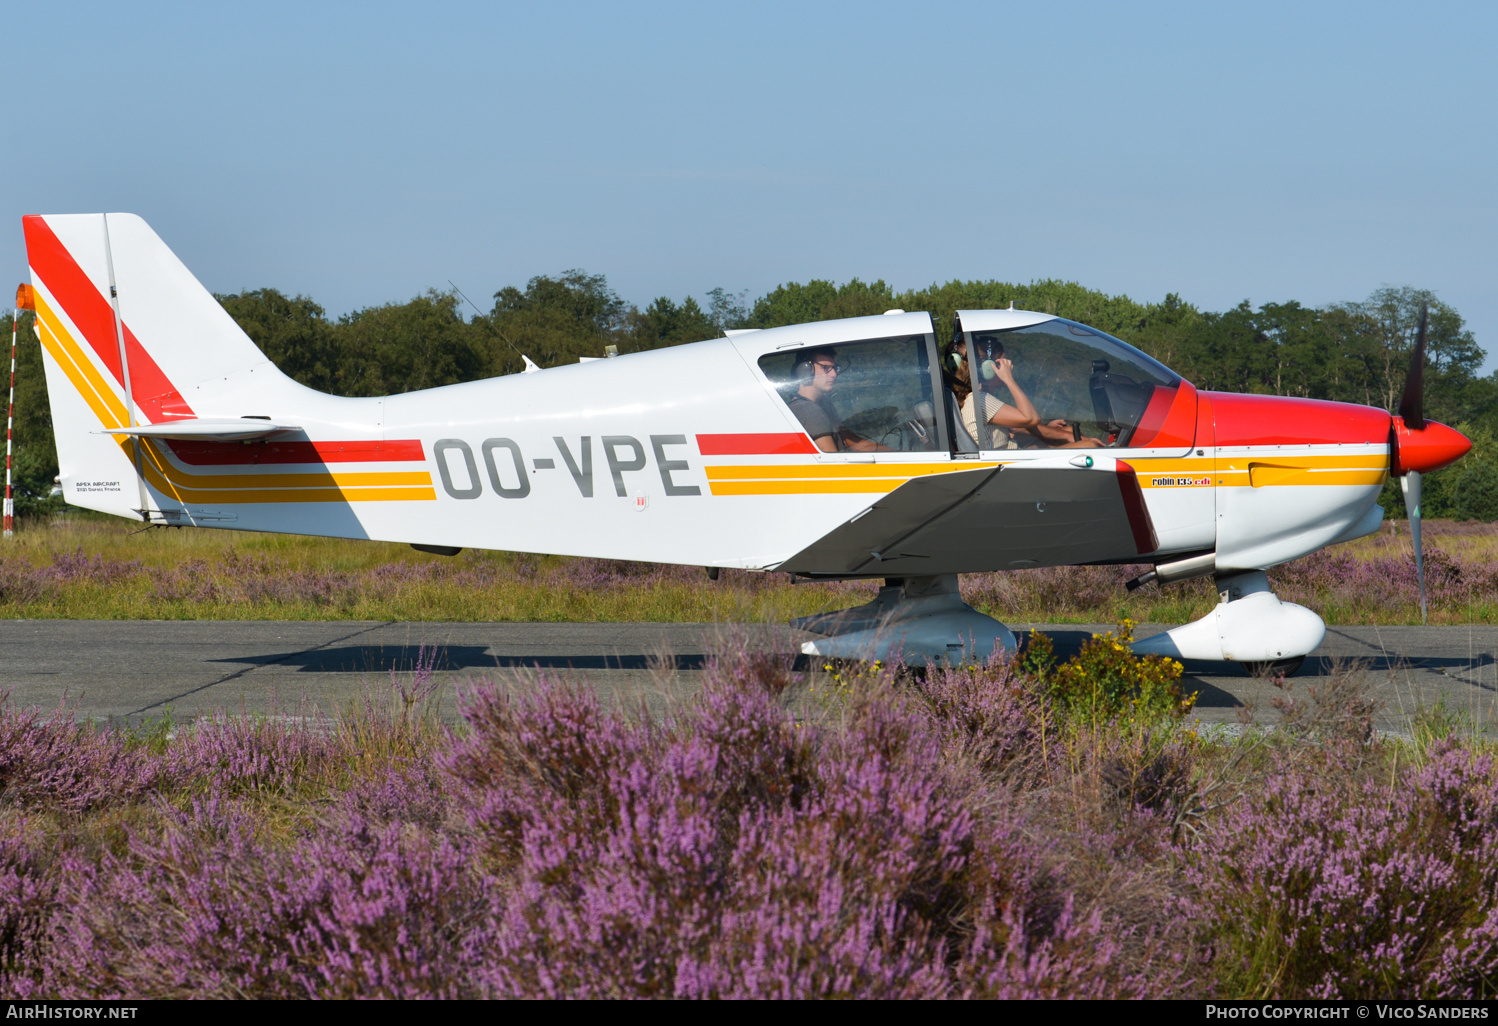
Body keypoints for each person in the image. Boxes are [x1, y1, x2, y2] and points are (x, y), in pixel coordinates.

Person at [943, 337, 1103, 450]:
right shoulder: (980, 400)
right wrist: (1009, 379)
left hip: (1010, 460)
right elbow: (1032, 419)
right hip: (1008, 469)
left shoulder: (970, 399)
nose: (1007, 365)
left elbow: (1017, 429)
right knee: (1091, 447)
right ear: (987, 367)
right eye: (1000, 362)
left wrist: (1048, 430)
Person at [786, 348, 887, 452]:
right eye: (825, 368)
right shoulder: (808, 410)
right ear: (805, 370)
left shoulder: (824, 404)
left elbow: (852, 442)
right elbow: (832, 463)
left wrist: (896, 452)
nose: (834, 374)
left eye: (834, 368)